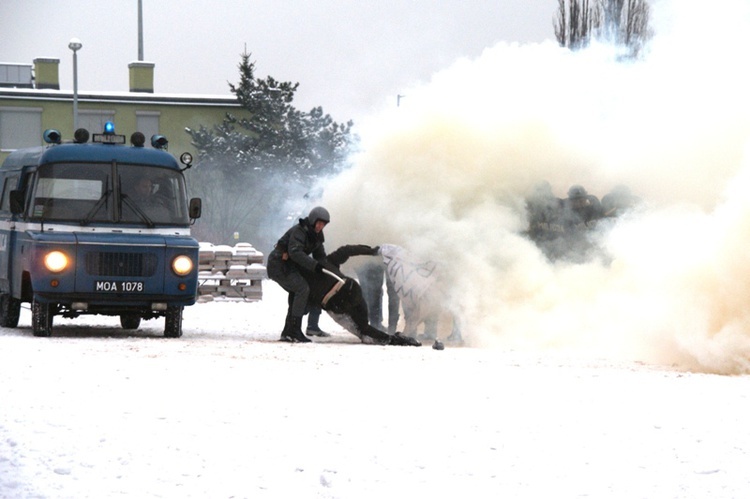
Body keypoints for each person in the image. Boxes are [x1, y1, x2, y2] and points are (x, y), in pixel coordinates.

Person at [266, 206, 330, 343]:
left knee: (297, 293)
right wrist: (314, 265)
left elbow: (321, 257)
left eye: (323, 224)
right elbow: (295, 252)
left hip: (288, 266)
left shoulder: (317, 237)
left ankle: (289, 331)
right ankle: (294, 330)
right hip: (278, 264)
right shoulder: (300, 231)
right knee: (302, 289)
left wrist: (328, 269)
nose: (320, 226)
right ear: (313, 220)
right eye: (319, 223)